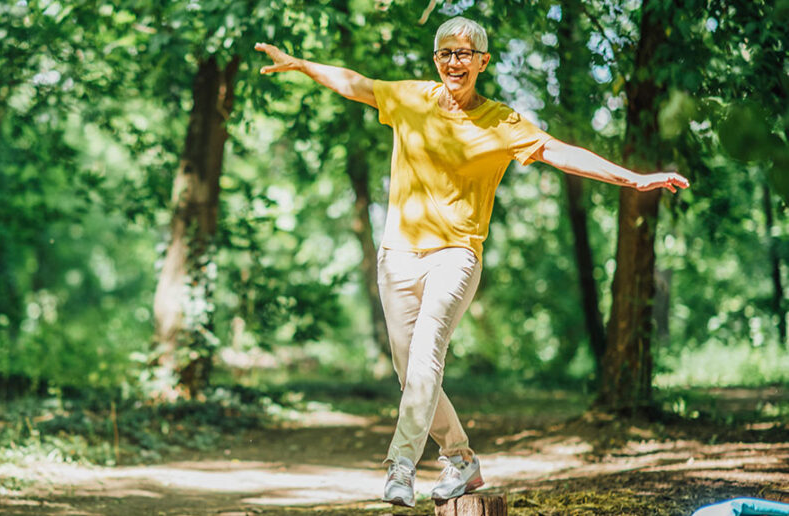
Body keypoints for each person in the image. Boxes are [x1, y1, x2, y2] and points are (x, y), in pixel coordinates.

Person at [255, 16, 690, 508]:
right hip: (396, 256)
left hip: (456, 255)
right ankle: (461, 460)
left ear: (483, 61)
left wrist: (633, 179)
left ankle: (401, 466)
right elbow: (355, 82)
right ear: (435, 60)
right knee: (410, 371)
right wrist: (301, 65)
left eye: (463, 53)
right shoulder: (410, 98)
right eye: (444, 53)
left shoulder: (502, 122)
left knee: (426, 356)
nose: (452, 62)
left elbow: (560, 151)